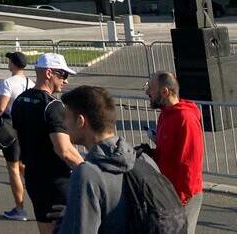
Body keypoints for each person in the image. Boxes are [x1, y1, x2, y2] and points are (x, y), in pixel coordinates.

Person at [10, 53, 84, 233]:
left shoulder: (20, 100)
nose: (65, 81)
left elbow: (20, 138)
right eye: (63, 75)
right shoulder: (53, 105)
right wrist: (89, 170)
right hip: (57, 180)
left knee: (45, 226)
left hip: (34, 176)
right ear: (49, 73)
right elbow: (64, 150)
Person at [54, 85, 140, 233]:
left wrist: (68, 221)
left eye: (66, 117)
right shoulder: (141, 160)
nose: (63, 124)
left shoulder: (87, 174)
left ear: (81, 121)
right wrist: (77, 211)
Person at [143, 72, 204, 233]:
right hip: (169, 193)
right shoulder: (165, 115)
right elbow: (168, 154)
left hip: (183, 196)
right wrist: (151, 153)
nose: (147, 92)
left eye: (151, 88)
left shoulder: (186, 118)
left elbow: (190, 164)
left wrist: (179, 200)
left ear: (165, 92)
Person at [0, 51, 34, 221]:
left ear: (13, 64)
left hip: (11, 129)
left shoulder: (8, 82)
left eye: (10, 60)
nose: (8, 62)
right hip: (27, 129)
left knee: (13, 168)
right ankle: (41, 195)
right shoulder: (31, 83)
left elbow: (0, 108)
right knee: (22, 166)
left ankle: (20, 209)